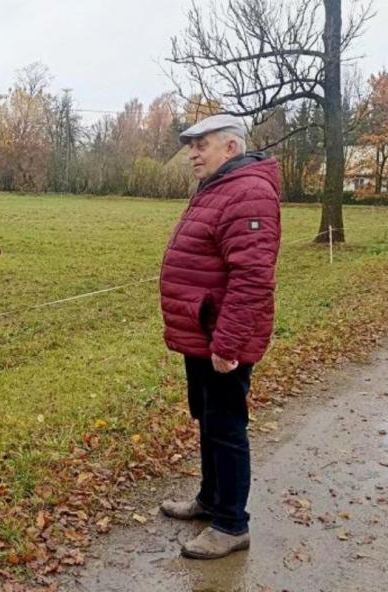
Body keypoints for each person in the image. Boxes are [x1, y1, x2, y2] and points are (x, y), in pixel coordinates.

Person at [158, 113, 281, 559]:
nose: (192, 154)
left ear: (230, 147)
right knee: (208, 420)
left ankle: (231, 524)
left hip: (222, 338)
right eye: (191, 145)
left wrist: (227, 345)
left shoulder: (247, 192)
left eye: (201, 145)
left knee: (227, 427)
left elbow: (251, 278)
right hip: (202, 332)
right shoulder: (220, 187)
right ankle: (210, 500)